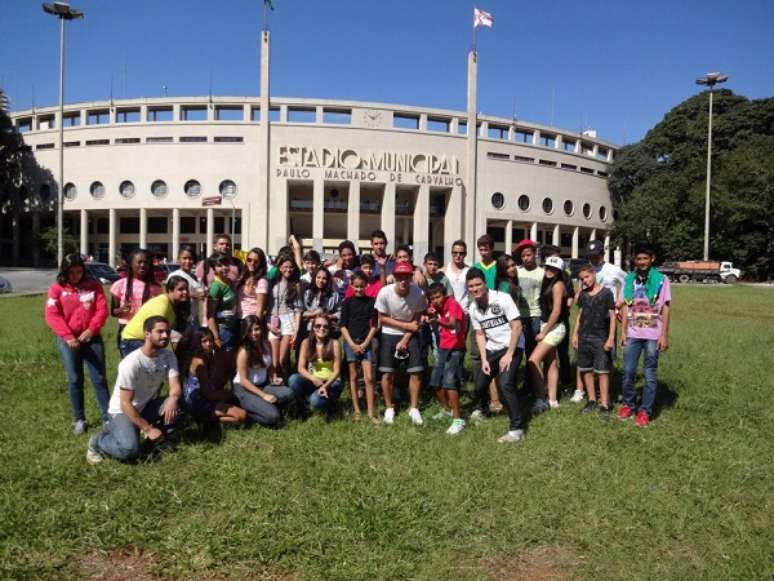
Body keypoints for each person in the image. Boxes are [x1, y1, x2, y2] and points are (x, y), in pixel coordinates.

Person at [86, 316, 185, 464]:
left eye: (167, 331)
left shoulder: (168, 356)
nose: (165, 336)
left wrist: (173, 398)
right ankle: (98, 441)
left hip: (144, 407)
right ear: (147, 334)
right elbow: (125, 403)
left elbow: (175, 386)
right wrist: (147, 429)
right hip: (121, 411)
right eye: (160, 332)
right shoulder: (131, 363)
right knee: (129, 450)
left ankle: (159, 440)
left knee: (181, 405)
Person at [45, 253, 110, 435]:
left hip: (92, 339)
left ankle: (107, 416)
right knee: (75, 379)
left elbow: (102, 309)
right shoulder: (57, 289)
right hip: (69, 341)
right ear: (64, 272)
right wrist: (68, 336)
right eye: (71, 272)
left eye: (79, 271)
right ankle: (80, 419)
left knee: (99, 379)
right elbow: (52, 315)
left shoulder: (94, 286)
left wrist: (91, 329)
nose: (76, 276)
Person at [466, 268, 526, 443]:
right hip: (492, 349)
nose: (475, 289)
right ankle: (483, 410)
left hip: (512, 346)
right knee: (479, 385)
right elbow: (479, 334)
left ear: (485, 284)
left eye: (478, 284)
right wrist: (484, 359)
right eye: (471, 286)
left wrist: (509, 354)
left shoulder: (502, 298)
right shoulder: (473, 307)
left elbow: (517, 326)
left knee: (505, 383)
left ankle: (517, 430)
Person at [618, 242, 671, 427]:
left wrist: (664, 335)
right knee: (628, 372)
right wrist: (623, 332)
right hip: (633, 333)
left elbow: (665, 308)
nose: (641, 262)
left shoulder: (662, 280)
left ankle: (645, 411)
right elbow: (625, 306)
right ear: (635, 260)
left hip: (652, 335)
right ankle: (628, 404)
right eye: (638, 258)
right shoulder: (629, 280)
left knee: (649, 374)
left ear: (652, 259)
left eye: (645, 258)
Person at [374, 261, 427, 425]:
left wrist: (405, 337)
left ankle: (414, 408)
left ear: (411, 277)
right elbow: (381, 318)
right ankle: (389, 408)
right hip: (389, 333)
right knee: (387, 372)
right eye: (400, 277)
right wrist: (405, 326)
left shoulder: (418, 293)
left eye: (406, 277)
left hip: (411, 333)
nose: (403, 281)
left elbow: (417, 319)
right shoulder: (384, 292)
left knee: (416, 371)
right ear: (395, 277)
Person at [233, 316, 296, 426]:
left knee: (289, 393)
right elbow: (243, 381)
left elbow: (270, 367)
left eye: (256, 329)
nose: (254, 333)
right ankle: (247, 411)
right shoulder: (244, 351)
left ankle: (261, 406)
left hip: (263, 385)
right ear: (245, 332)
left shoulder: (266, 344)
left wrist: (274, 378)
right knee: (274, 417)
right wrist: (263, 395)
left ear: (262, 329)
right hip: (244, 388)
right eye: (249, 330)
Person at [572, 264, 616, 419]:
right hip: (584, 336)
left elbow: (612, 317)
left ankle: (604, 404)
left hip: (601, 337)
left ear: (594, 274)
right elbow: (580, 315)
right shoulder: (583, 295)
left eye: (587, 276)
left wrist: (611, 338)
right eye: (582, 278)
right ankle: (591, 400)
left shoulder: (606, 293)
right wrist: (575, 334)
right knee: (585, 369)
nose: (585, 280)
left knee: (603, 371)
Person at [180, 326, 247, 425]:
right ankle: (203, 420)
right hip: (197, 400)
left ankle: (208, 418)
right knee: (242, 415)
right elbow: (207, 394)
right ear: (197, 343)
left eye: (211, 340)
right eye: (204, 341)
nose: (209, 344)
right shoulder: (199, 363)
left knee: (234, 403)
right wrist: (228, 394)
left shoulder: (208, 355)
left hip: (207, 393)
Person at [527, 256, 568, 412]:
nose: (548, 270)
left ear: (559, 271)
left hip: (555, 328)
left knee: (533, 360)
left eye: (553, 269)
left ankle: (540, 397)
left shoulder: (558, 285)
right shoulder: (547, 282)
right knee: (551, 362)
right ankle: (552, 400)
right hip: (548, 325)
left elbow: (557, 311)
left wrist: (544, 332)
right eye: (547, 267)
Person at [426, 283, 467, 435]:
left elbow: (452, 324)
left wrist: (437, 321)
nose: (436, 301)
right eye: (432, 299)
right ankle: (446, 410)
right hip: (443, 347)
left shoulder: (453, 304)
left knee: (450, 382)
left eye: (438, 297)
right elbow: (429, 312)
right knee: (436, 381)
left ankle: (458, 419)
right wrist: (429, 314)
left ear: (444, 294)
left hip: (456, 348)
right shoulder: (437, 307)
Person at [340, 270, 379, 423]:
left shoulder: (371, 302)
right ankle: (356, 410)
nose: (358, 289)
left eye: (361, 286)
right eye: (356, 286)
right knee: (354, 376)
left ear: (366, 285)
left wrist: (365, 343)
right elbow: (343, 325)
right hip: (351, 342)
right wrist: (352, 344)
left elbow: (374, 325)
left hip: (365, 342)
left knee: (369, 378)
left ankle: (371, 413)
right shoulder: (347, 302)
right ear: (351, 285)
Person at [120, 276, 190, 357]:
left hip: (146, 339)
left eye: (186, 289)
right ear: (170, 290)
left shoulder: (175, 305)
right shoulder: (162, 305)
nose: (185, 292)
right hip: (134, 340)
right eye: (180, 289)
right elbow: (155, 333)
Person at [289, 314, 344, 415]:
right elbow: (300, 368)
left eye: (325, 326)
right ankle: (303, 408)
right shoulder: (306, 343)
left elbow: (337, 371)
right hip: (314, 381)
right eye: (318, 326)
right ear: (313, 328)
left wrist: (325, 386)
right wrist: (314, 379)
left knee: (315, 401)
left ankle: (330, 405)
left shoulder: (335, 343)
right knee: (293, 379)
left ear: (329, 328)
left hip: (331, 383)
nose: (321, 328)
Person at [472, 235, 503, 413]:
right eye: (480, 248)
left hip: (497, 314)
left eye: (486, 248)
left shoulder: (498, 266)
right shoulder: (476, 267)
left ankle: (499, 397)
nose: (483, 251)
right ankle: (488, 398)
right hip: (480, 315)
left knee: (498, 357)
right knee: (482, 357)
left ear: (492, 248)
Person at [110, 248, 161, 352]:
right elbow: (113, 312)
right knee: (128, 365)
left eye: (145, 262)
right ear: (131, 264)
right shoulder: (119, 285)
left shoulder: (155, 288)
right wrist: (122, 309)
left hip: (146, 329)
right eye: (139, 262)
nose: (143, 265)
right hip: (126, 329)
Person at [541, 244, 576, 395]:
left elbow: (571, 295)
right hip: (544, 320)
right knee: (548, 355)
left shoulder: (564, 276)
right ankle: (546, 384)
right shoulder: (541, 275)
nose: (558, 261)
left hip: (560, 320)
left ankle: (567, 383)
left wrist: (566, 307)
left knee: (563, 353)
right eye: (554, 257)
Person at [206, 254, 239, 388]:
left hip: (233, 328)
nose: (224, 268)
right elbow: (210, 315)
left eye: (226, 264)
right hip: (222, 331)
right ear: (213, 269)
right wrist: (217, 338)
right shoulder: (216, 287)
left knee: (232, 367)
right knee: (222, 369)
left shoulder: (230, 282)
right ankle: (214, 397)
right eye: (219, 265)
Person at [268, 256, 303, 380]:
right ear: (280, 268)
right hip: (273, 320)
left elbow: (298, 309)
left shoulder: (296, 285)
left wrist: (296, 329)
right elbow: (267, 306)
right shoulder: (272, 283)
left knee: (282, 360)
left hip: (288, 321)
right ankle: (273, 383)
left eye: (291, 267)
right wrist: (268, 324)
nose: (288, 269)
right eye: (285, 267)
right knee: (274, 361)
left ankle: (282, 383)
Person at [514, 239, 544, 359]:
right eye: (523, 256)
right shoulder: (517, 271)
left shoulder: (541, 273)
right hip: (518, 315)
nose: (526, 258)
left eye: (528, 255)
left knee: (532, 351)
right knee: (518, 348)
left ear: (535, 254)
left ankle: (531, 376)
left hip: (535, 315)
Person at [167, 245, 206, 327]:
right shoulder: (175, 275)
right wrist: (192, 295)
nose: (188, 261)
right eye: (184, 258)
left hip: (194, 317)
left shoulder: (194, 276)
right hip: (180, 319)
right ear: (178, 259)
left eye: (190, 258)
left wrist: (204, 293)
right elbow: (169, 296)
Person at [301, 267, 341, 336]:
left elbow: (340, 312)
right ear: (314, 278)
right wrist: (313, 313)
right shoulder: (307, 293)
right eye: (318, 277)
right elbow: (301, 312)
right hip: (309, 329)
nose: (321, 281)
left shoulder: (334, 295)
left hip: (326, 329)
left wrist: (329, 316)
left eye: (324, 278)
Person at [236, 247, 269, 320]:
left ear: (261, 263)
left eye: (256, 261)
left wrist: (256, 324)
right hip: (238, 318)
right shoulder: (242, 277)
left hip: (251, 320)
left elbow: (260, 308)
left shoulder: (261, 281)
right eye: (249, 260)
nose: (252, 263)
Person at [443, 239, 470, 308]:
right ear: (451, 253)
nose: (458, 255)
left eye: (461, 253)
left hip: (465, 311)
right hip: (448, 311)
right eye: (455, 252)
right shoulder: (444, 270)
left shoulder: (469, 271)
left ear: (465, 254)